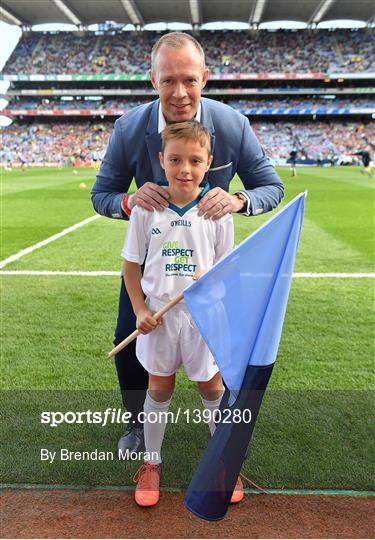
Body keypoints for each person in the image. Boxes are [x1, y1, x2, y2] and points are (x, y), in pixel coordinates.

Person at [91, 31, 284, 457]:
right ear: (152, 79)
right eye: (168, 80)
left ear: (205, 78)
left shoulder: (232, 125)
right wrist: (129, 199)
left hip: (207, 265)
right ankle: (137, 425)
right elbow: (100, 195)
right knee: (128, 336)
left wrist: (238, 199)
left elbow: (272, 187)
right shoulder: (128, 128)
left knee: (223, 347)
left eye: (189, 80)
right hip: (153, 266)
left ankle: (225, 431)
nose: (179, 92)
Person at [122, 120, 243, 507]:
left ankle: (224, 462)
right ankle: (151, 461)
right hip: (160, 317)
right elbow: (130, 266)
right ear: (162, 160)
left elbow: (228, 274)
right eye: (175, 159)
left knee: (211, 387)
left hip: (203, 318)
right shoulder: (146, 210)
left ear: (209, 163)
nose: (185, 169)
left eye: (195, 160)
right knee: (159, 388)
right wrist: (140, 309)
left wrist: (213, 281)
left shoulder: (218, 214)